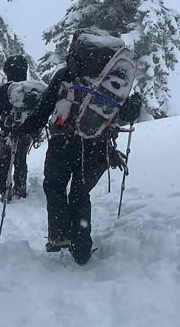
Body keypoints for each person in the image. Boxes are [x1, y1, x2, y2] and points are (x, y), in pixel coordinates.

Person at [18, 29, 142, 265]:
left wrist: (23, 130)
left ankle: (59, 234)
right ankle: (82, 250)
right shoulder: (112, 78)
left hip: (62, 142)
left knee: (54, 185)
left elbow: (43, 110)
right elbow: (124, 112)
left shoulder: (66, 75)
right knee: (80, 193)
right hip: (97, 144)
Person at [0, 55, 33, 200]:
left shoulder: (5, 89)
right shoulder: (30, 89)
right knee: (20, 161)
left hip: (7, 132)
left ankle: (5, 190)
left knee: (4, 161)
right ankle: (20, 189)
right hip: (25, 132)